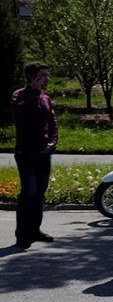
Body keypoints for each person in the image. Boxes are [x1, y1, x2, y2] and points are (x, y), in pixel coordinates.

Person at [11, 61, 58, 249]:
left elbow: (53, 123)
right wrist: (33, 91)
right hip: (26, 152)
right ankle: (22, 235)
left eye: (47, 75)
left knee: (39, 193)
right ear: (31, 77)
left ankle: (34, 230)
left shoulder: (46, 98)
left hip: (44, 153)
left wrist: (52, 143)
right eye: (42, 75)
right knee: (28, 192)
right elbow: (23, 113)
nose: (47, 79)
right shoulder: (20, 96)